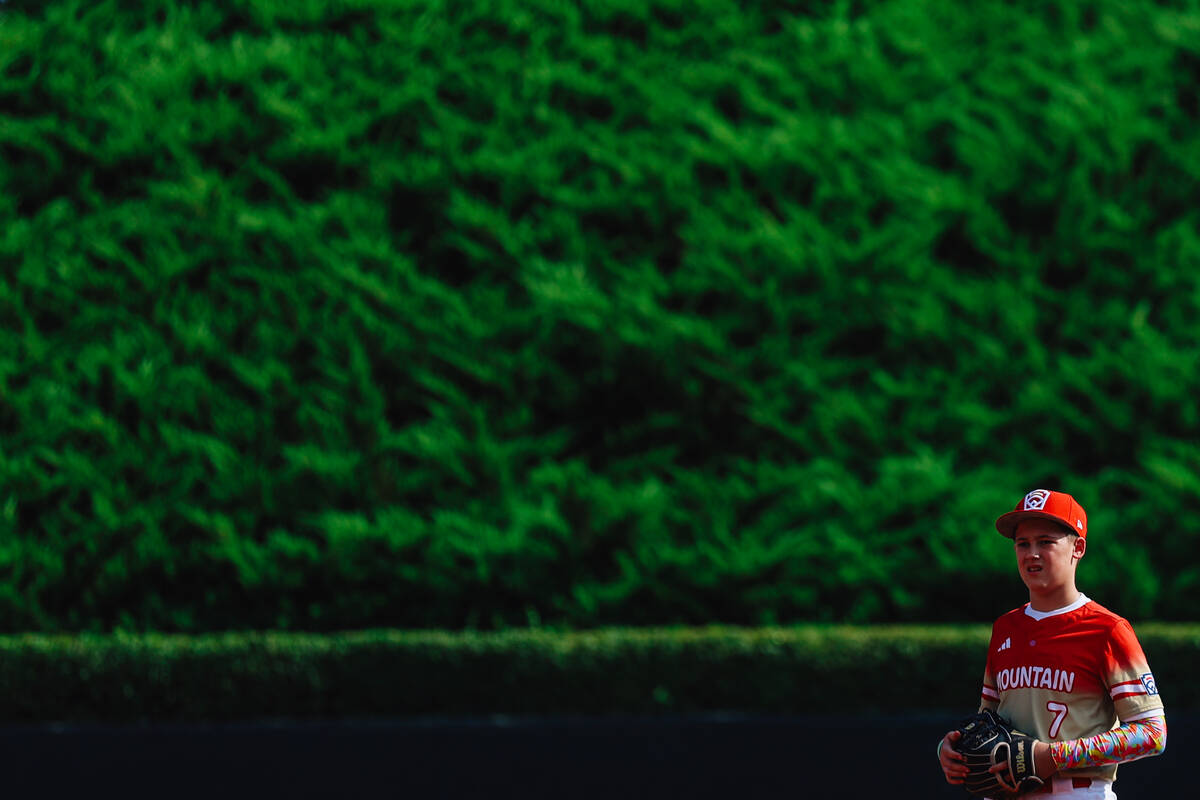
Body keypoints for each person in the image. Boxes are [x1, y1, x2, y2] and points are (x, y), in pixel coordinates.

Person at [937, 489, 1166, 798]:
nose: (1032, 553)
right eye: (1023, 543)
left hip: (1077, 792)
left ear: (1078, 548)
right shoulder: (1005, 628)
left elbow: (1152, 734)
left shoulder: (1107, 629)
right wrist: (955, 749)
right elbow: (987, 720)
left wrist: (1053, 756)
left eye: (1045, 542)